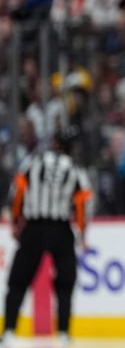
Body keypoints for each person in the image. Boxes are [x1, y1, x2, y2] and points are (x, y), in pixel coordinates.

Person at [2, 126, 92, 345]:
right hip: (61, 229)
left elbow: (18, 191)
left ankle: (9, 332)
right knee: (65, 283)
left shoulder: (34, 161)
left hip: (34, 227)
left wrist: (16, 222)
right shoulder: (75, 168)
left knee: (18, 282)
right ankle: (63, 333)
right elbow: (82, 203)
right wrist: (81, 232)